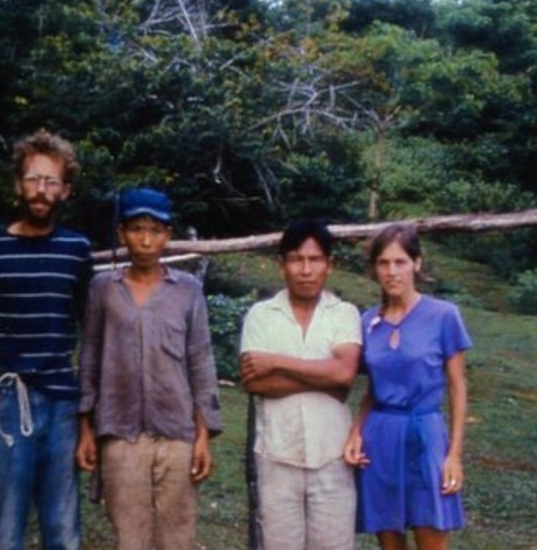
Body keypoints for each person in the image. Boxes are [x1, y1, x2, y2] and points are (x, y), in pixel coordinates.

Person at [0, 130, 92, 550]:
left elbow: (92, 332)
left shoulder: (76, 249)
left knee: (63, 532)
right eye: (33, 179)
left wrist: (87, 419)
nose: (41, 190)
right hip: (4, 402)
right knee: (6, 533)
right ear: (18, 184)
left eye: (51, 182)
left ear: (65, 191)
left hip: (63, 406)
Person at [76, 187, 222, 550]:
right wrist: (85, 429)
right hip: (120, 435)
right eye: (137, 229)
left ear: (168, 235)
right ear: (121, 233)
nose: (145, 240)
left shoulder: (187, 290)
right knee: (130, 537)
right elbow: (89, 360)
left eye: (155, 230)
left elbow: (201, 362)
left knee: (177, 537)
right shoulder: (103, 289)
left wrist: (203, 435)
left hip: (177, 434)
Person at [344, 223, 472, 550]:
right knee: (389, 540)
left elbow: (458, 388)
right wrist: (357, 431)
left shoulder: (444, 316)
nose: (392, 272)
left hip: (426, 433)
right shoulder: (367, 321)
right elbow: (374, 388)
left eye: (400, 262)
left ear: (416, 262)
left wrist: (454, 454)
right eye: (383, 263)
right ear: (375, 269)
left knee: (430, 534)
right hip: (381, 436)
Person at [240, 219, 362, 550]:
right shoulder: (261, 315)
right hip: (276, 458)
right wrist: (325, 382)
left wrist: (278, 361)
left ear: (330, 265)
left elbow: (344, 374)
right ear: (282, 266)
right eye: (296, 259)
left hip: (332, 457)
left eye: (315, 259)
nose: (306, 270)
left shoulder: (344, 314)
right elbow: (255, 381)